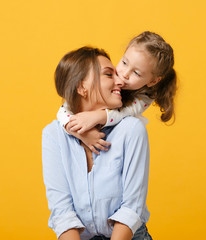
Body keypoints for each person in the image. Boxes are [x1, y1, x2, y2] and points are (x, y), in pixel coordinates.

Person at [42, 47, 152, 240]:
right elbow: (62, 213)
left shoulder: (132, 130)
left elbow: (131, 209)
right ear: (81, 86)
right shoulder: (53, 135)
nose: (121, 81)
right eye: (109, 75)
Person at [57, 31, 177, 154]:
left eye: (136, 73)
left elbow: (124, 112)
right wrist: (80, 133)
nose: (124, 74)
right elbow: (63, 110)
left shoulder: (145, 97)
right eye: (124, 63)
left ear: (152, 81)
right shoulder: (110, 79)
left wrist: (99, 116)